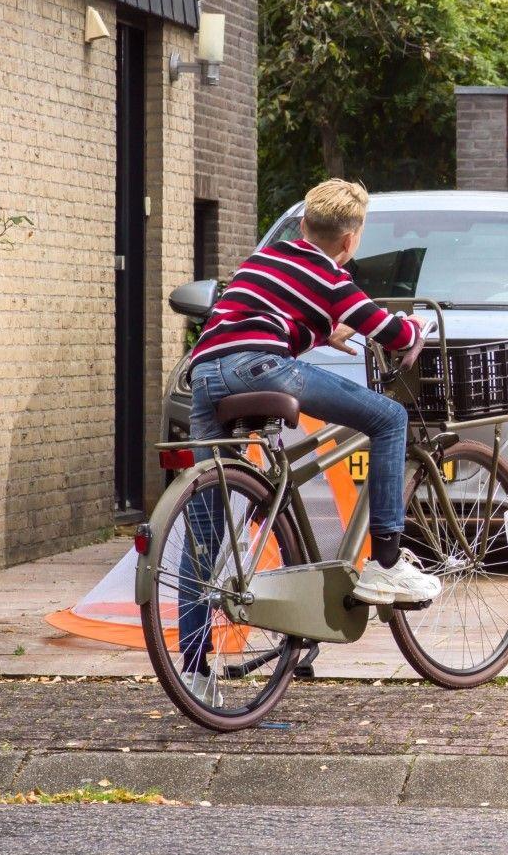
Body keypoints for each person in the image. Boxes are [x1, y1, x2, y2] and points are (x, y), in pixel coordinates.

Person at [180, 180, 435, 697]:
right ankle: (385, 565)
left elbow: (266, 313)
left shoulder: (265, 257)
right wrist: (415, 330)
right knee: (388, 418)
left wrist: (323, 332)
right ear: (350, 242)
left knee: (208, 522)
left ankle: (193, 668)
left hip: (205, 375)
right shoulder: (331, 276)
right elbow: (392, 334)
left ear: (302, 226)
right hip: (261, 370)